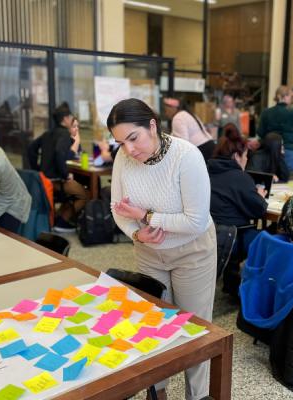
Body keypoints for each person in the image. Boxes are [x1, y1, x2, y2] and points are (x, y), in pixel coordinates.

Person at [108, 98, 216, 400]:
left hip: (191, 252)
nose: (129, 149)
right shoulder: (123, 158)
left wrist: (146, 217)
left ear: (152, 125)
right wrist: (136, 234)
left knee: (194, 329)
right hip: (148, 253)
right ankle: (158, 394)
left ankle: (197, 396)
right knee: (153, 327)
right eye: (121, 142)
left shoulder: (187, 156)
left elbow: (195, 222)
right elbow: (118, 209)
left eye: (133, 138)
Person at [28, 104, 91, 232]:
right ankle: (64, 220)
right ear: (66, 118)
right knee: (86, 194)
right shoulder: (64, 135)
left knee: (75, 188)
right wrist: (65, 175)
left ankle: (59, 217)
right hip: (55, 181)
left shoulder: (47, 134)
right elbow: (58, 152)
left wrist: (38, 170)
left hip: (44, 180)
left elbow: (31, 149)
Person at [207, 123, 268, 253]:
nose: (246, 159)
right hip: (232, 238)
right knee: (270, 240)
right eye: (245, 155)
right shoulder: (240, 177)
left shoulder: (206, 171)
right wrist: (260, 197)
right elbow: (259, 209)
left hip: (206, 237)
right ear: (236, 156)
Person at [258, 86, 293, 172]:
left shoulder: (266, 112)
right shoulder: (292, 112)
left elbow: (260, 132)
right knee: (290, 179)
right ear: (285, 97)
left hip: (270, 150)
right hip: (288, 150)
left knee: (271, 176)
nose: (291, 98)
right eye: (290, 96)